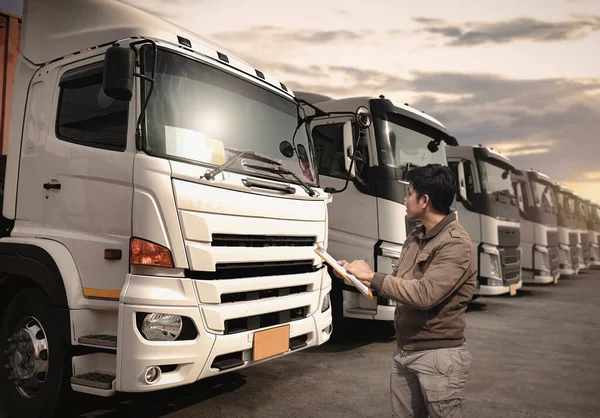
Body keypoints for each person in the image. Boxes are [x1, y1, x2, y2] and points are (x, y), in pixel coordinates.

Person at [337, 163, 477, 418]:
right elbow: (398, 284)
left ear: (424, 200)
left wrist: (372, 276)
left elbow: (425, 295)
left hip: (437, 357)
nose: (404, 198)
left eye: (409, 192)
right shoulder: (416, 236)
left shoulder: (456, 244)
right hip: (405, 350)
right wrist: (357, 277)